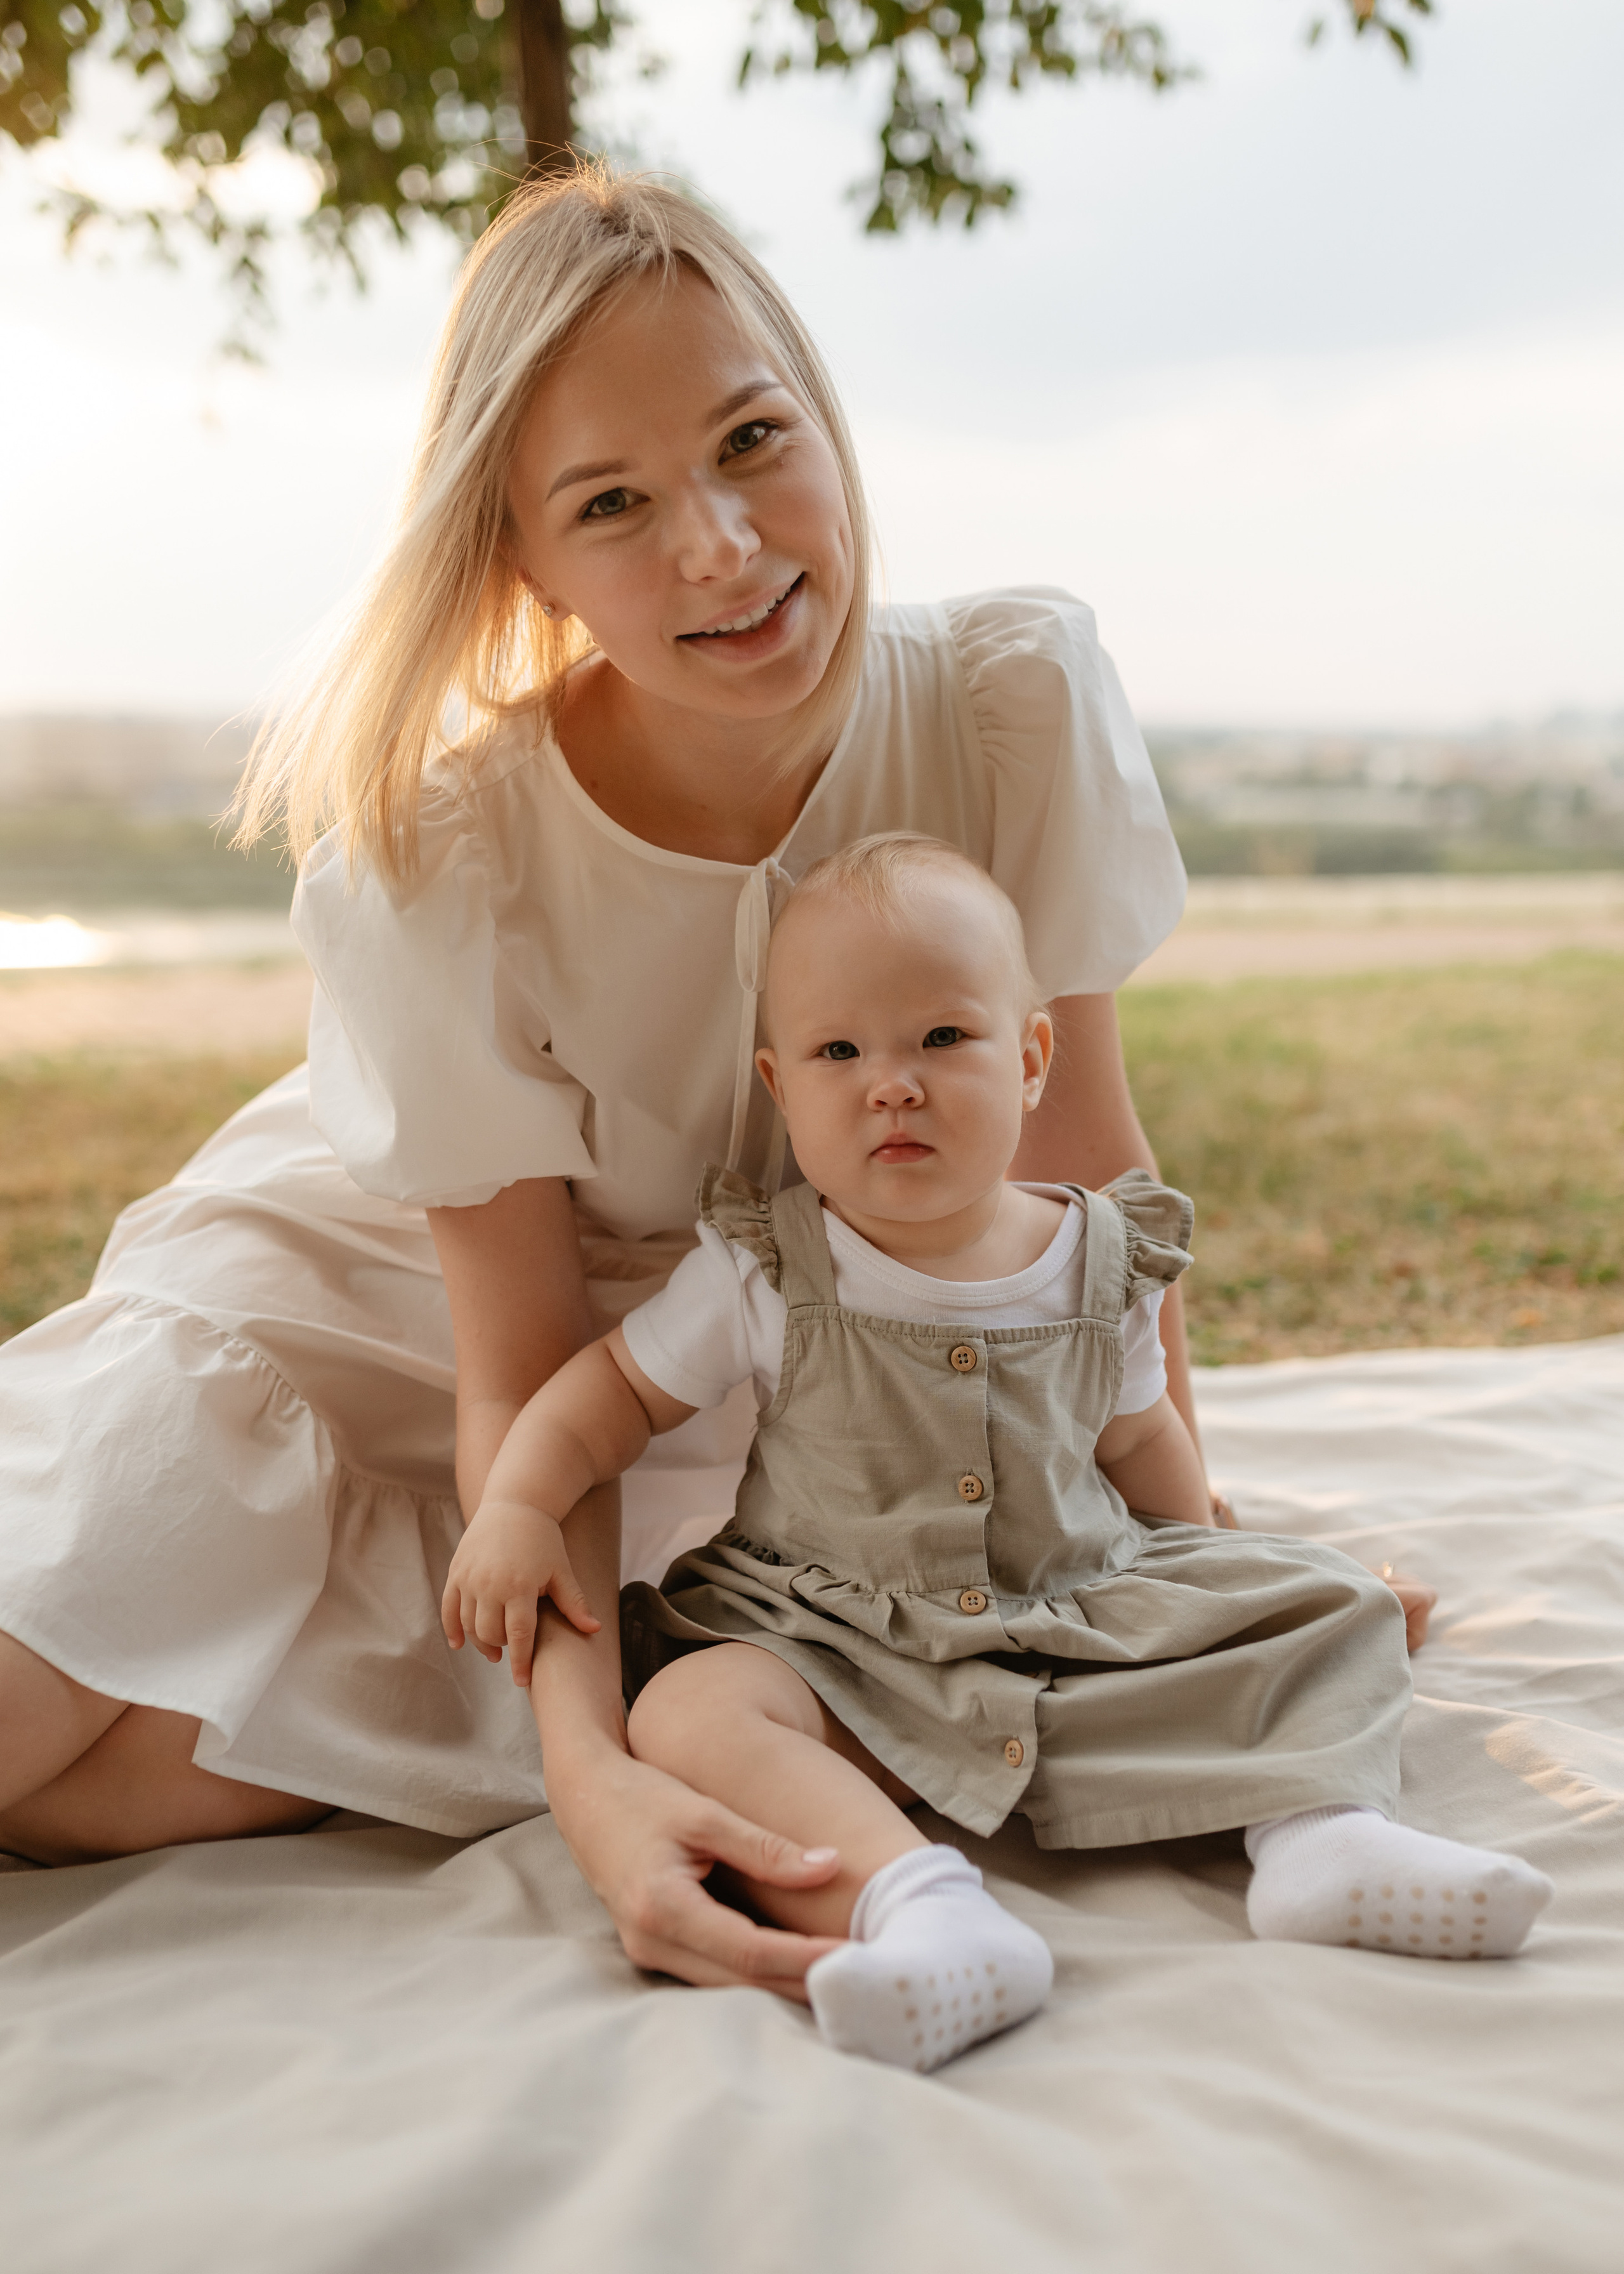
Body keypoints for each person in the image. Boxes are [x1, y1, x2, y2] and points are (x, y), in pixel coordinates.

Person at [0, 165, 1416, 1991]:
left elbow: (1082, 1185)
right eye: (614, 503)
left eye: (757, 442)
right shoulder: (442, 847)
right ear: (524, 559)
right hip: (376, 1312)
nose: (723, 550)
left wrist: (1177, 1584)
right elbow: (515, 1359)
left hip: (708, 1383)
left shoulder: (1011, 700)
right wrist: (590, 1786)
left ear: (826, 413)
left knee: (113, 1785)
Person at [438, 836, 1552, 2070]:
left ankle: (1319, 1840)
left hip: (1070, 1607)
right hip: (836, 1636)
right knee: (692, 1709)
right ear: (778, 1084)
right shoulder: (765, 1265)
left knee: (1328, 1601)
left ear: (1028, 1059)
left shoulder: (1094, 1257)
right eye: (838, 1052)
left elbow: (1137, 1436)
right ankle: (919, 1906)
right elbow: (599, 1399)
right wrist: (518, 1509)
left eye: (940, 1040)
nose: (890, 1085)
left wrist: (1214, 1580)